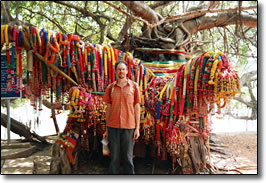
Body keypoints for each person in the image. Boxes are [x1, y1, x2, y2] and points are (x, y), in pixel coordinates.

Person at [102, 61, 141, 174]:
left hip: (129, 126)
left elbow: (137, 107)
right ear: (115, 71)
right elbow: (108, 109)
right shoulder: (110, 88)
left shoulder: (134, 86)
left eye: (123, 69)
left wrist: (137, 128)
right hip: (113, 126)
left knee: (128, 157)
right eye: (119, 69)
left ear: (127, 71)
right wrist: (106, 128)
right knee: (114, 157)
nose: (121, 71)